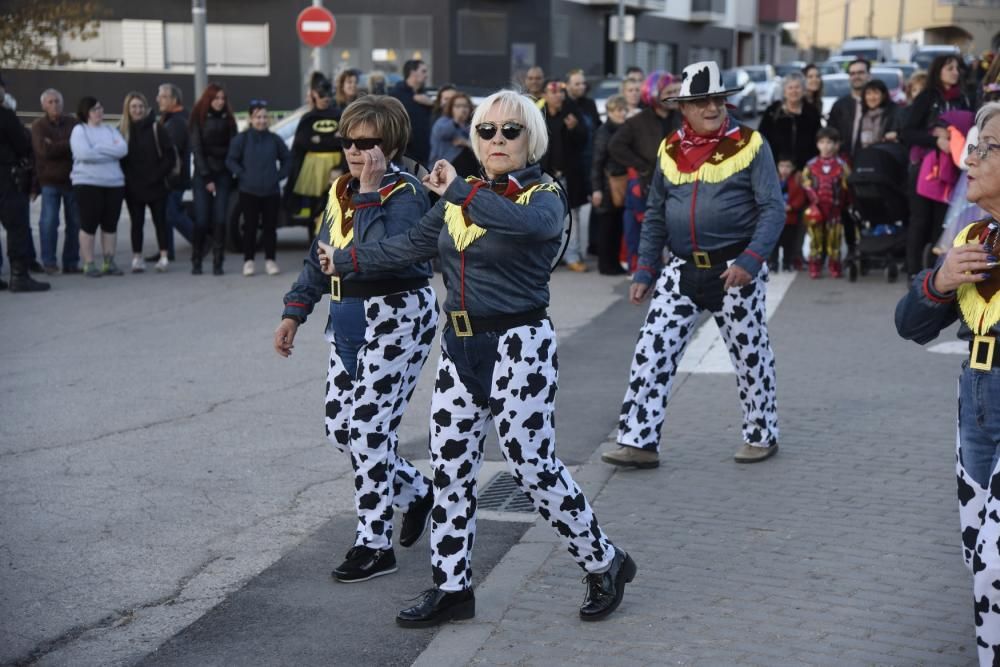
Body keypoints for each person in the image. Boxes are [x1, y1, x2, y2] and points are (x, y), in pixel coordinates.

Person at [317, 89, 637, 628]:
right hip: (461, 345)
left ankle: (605, 561)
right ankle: (451, 586)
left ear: (529, 138)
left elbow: (531, 228)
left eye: (509, 131)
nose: (496, 140)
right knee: (450, 470)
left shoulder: (544, 193)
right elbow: (414, 244)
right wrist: (346, 259)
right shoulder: (460, 196)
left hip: (520, 344)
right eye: (486, 130)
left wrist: (460, 189)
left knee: (532, 468)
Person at [274, 95, 438, 584]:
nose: (354, 150)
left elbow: (379, 254)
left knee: (368, 433)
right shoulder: (341, 190)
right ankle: (415, 493)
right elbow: (320, 256)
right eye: (348, 140)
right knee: (341, 430)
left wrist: (368, 192)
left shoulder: (405, 193)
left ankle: (374, 543)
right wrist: (295, 311)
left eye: (367, 142)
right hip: (347, 319)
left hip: (396, 318)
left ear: (389, 145)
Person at [603, 60, 783, 469]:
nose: (712, 108)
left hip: (735, 267)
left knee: (750, 355)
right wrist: (646, 269)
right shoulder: (669, 148)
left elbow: (773, 209)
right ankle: (638, 442)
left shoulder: (750, 144)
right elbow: (655, 212)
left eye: (718, 100)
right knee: (652, 351)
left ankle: (761, 434)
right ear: (683, 107)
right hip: (681, 268)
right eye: (702, 102)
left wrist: (751, 262)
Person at [895, 101, 1000, 667]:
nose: (970, 158)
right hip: (975, 414)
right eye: (973, 145)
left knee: (995, 568)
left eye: (986, 148)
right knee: (976, 557)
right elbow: (909, 325)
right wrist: (937, 281)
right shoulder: (976, 236)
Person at [901, 54, 972, 278]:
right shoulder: (928, 97)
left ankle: (935, 273)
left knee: (941, 223)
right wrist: (935, 139)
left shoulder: (964, 99)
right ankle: (913, 273)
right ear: (938, 71)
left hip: (952, 170)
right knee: (920, 221)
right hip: (924, 168)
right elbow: (908, 132)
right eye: (949, 67)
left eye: (957, 68)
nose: (955, 72)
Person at [607, 71, 682, 272]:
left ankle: (673, 269)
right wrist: (641, 165)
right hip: (648, 185)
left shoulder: (683, 116)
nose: (676, 94)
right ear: (655, 93)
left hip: (680, 183)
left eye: (677, 90)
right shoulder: (638, 121)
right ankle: (645, 271)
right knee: (647, 231)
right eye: (670, 91)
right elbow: (615, 146)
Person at [225, 100, 291, 276]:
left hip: (271, 191)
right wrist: (242, 174)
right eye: (257, 117)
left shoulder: (274, 139)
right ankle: (249, 261)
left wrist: (279, 175)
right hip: (248, 191)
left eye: (264, 117)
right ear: (250, 119)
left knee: (270, 227)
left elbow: (287, 159)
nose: (262, 120)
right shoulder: (242, 139)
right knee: (250, 227)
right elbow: (230, 160)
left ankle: (270, 260)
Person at [0, 74, 49, 292]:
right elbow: (21, 144)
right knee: (17, 226)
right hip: (7, 178)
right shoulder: (6, 115)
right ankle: (19, 275)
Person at [70, 96, 128, 277]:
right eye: (95, 109)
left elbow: (122, 150)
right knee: (88, 224)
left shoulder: (111, 130)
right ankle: (89, 263)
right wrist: (109, 152)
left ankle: (109, 262)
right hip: (88, 183)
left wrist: (97, 148)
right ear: (86, 112)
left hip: (114, 183)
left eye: (101, 108)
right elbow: (83, 153)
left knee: (110, 225)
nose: (99, 112)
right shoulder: (80, 130)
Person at [119, 91, 175, 272]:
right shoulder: (121, 131)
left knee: (160, 221)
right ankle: (137, 258)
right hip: (133, 187)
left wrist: (157, 175)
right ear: (128, 109)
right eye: (134, 106)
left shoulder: (156, 127)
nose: (138, 110)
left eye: (141, 106)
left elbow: (169, 156)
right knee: (137, 223)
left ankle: (164, 256)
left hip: (156, 185)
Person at [538, 80, 587, 271]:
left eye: (561, 92)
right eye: (553, 92)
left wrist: (574, 128)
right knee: (543, 216)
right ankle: (545, 258)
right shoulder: (539, 116)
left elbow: (584, 140)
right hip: (544, 175)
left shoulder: (572, 113)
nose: (558, 95)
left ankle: (572, 255)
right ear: (544, 95)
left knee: (571, 216)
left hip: (567, 174)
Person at [189, 83, 237, 275]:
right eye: (216, 98)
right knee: (201, 219)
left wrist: (227, 168)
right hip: (203, 175)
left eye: (223, 98)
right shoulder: (198, 118)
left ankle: (218, 261)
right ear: (209, 99)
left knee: (220, 219)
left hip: (223, 174)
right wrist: (207, 176)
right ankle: (197, 258)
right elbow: (197, 149)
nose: (220, 102)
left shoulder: (229, 120)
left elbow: (233, 148)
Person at [288, 73, 343, 237]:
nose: (325, 98)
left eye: (328, 94)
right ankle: (314, 243)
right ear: (314, 94)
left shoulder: (339, 114)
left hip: (336, 165)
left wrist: (320, 140)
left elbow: (344, 141)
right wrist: (331, 138)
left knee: (333, 205)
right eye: (321, 94)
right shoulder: (308, 117)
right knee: (314, 207)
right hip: (313, 168)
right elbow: (302, 142)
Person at [31, 88, 80, 275]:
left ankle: (71, 262)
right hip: (49, 181)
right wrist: (67, 144)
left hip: (72, 180)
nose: (54, 105)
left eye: (57, 101)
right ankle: (49, 262)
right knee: (49, 222)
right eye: (50, 102)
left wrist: (56, 146)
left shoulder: (73, 123)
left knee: (75, 223)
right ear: (43, 105)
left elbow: (78, 147)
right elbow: (43, 151)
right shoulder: (38, 126)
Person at [563, 69, 602, 269]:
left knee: (597, 205)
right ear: (567, 85)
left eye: (583, 83)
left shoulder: (590, 104)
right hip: (574, 164)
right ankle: (572, 253)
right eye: (577, 83)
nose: (581, 87)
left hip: (591, 160)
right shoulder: (564, 105)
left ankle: (594, 245)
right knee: (573, 210)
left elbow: (596, 128)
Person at [801, 127, 851, 279]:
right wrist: (813, 198)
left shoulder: (842, 165)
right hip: (816, 209)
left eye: (830, 142)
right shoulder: (811, 165)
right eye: (822, 142)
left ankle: (835, 265)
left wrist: (846, 203)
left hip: (835, 209)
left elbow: (847, 186)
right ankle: (814, 265)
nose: (826, 146)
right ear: (817, 144)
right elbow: (805, 183)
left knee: (834, 238)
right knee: (815, 238)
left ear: (836, 145)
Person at [590, 94, 628, 275]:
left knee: (617, 225)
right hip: (607, 185)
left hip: (621, 183)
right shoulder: (604, 132)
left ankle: (615, 263)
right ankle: (605, 265)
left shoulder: (624, 129)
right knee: (606, 227)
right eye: (619, 110)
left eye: (624, 110)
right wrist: (596, 189)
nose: (622, 113)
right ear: (610, 112)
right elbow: (597, 162)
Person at [155, 83, 194, 263]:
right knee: (167, 214)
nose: (158, 99)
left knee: (172, 213)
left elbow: (171, 153)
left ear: (174, 100)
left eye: (162, 96)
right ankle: (166, 249)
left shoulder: (177, 122)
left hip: (175, 178)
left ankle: (201, 241)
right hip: (174, 177)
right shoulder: (173, 118)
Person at [757, 72, 822, 170]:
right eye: (790, 88)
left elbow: (817, 141)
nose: (794, 91)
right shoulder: (773, 111)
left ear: (803, 90)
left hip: (805, 170)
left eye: (797, 87)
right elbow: (761, 140)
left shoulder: (812, 112)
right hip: (775, 169)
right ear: (784, 92)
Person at [389, 60, 433, 165]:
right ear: (413, 72)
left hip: (423, 154)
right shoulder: (396, 94)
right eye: (423, 71)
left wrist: (431, 104)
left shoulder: (424, 95)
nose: (426, 75)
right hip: (404, 154)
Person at [828, 58, 872, 159]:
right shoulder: (839, 105)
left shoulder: (877, 103)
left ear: (869, 76)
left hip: (870, 161)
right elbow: (831, 134)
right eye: (852, 73)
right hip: (843, 162)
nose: (856, 76)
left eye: (860, 72)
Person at [770, 155, 807, 272]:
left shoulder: (796, 181)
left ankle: (787, 263)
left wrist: (791, 206)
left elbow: (800, 197)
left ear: (793, 168)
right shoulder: (772, 180)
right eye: (781, 166)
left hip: (790, 218)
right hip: (774, 219)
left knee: (788, 243)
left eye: (788, 166)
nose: (784, 169)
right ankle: (773, 263)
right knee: (773, 243)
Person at [428, 91, 475, 176]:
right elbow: (442, 132)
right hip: (444, 172)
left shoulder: (472, 126)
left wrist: (466, 143)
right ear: (451, 108)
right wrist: (456, 120)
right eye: (458, 106)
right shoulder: (443, 122)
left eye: (465, 106)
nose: (462, 109)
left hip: (469, 173)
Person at [858, 79, 900, 149]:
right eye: (868, 93)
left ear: (883, 95)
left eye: (876, 93)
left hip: (886, 155)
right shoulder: (861, 115)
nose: (872, 97)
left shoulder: (894, 113)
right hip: (864, 156)